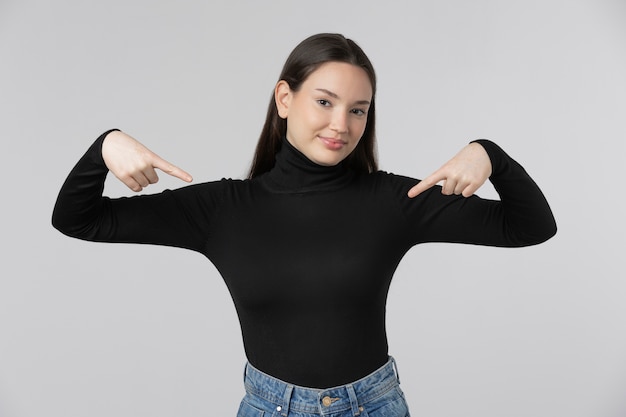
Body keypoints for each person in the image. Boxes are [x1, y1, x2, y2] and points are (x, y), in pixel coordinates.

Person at [52, 33, 557, 417]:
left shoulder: (394, 201)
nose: (341, 124)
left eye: (357, 110)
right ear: (284, 99)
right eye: (324, 101)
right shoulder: (221, 209)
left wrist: (490, 155)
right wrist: (105, 145)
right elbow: (78, 218)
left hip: (373, 406)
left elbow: (529, 226)